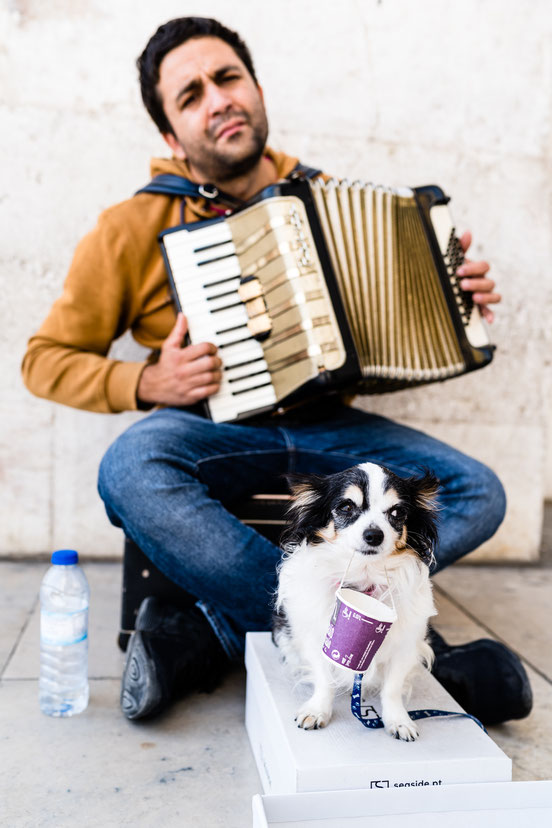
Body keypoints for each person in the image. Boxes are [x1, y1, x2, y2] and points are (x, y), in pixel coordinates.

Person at [22, 17, 531, 725]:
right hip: (211, 430)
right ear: (171, 136)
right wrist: (145, 383)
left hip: (330, 430)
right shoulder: (127, 230)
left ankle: (214, 634)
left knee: (478, 490)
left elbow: (389, 333)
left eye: (228, 78)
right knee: (130, 466)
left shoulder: (330, 201)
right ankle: (384, 639)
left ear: (257, 90)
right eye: (191, 94)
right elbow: (42, 360)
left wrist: (450, 302)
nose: (218, 98)